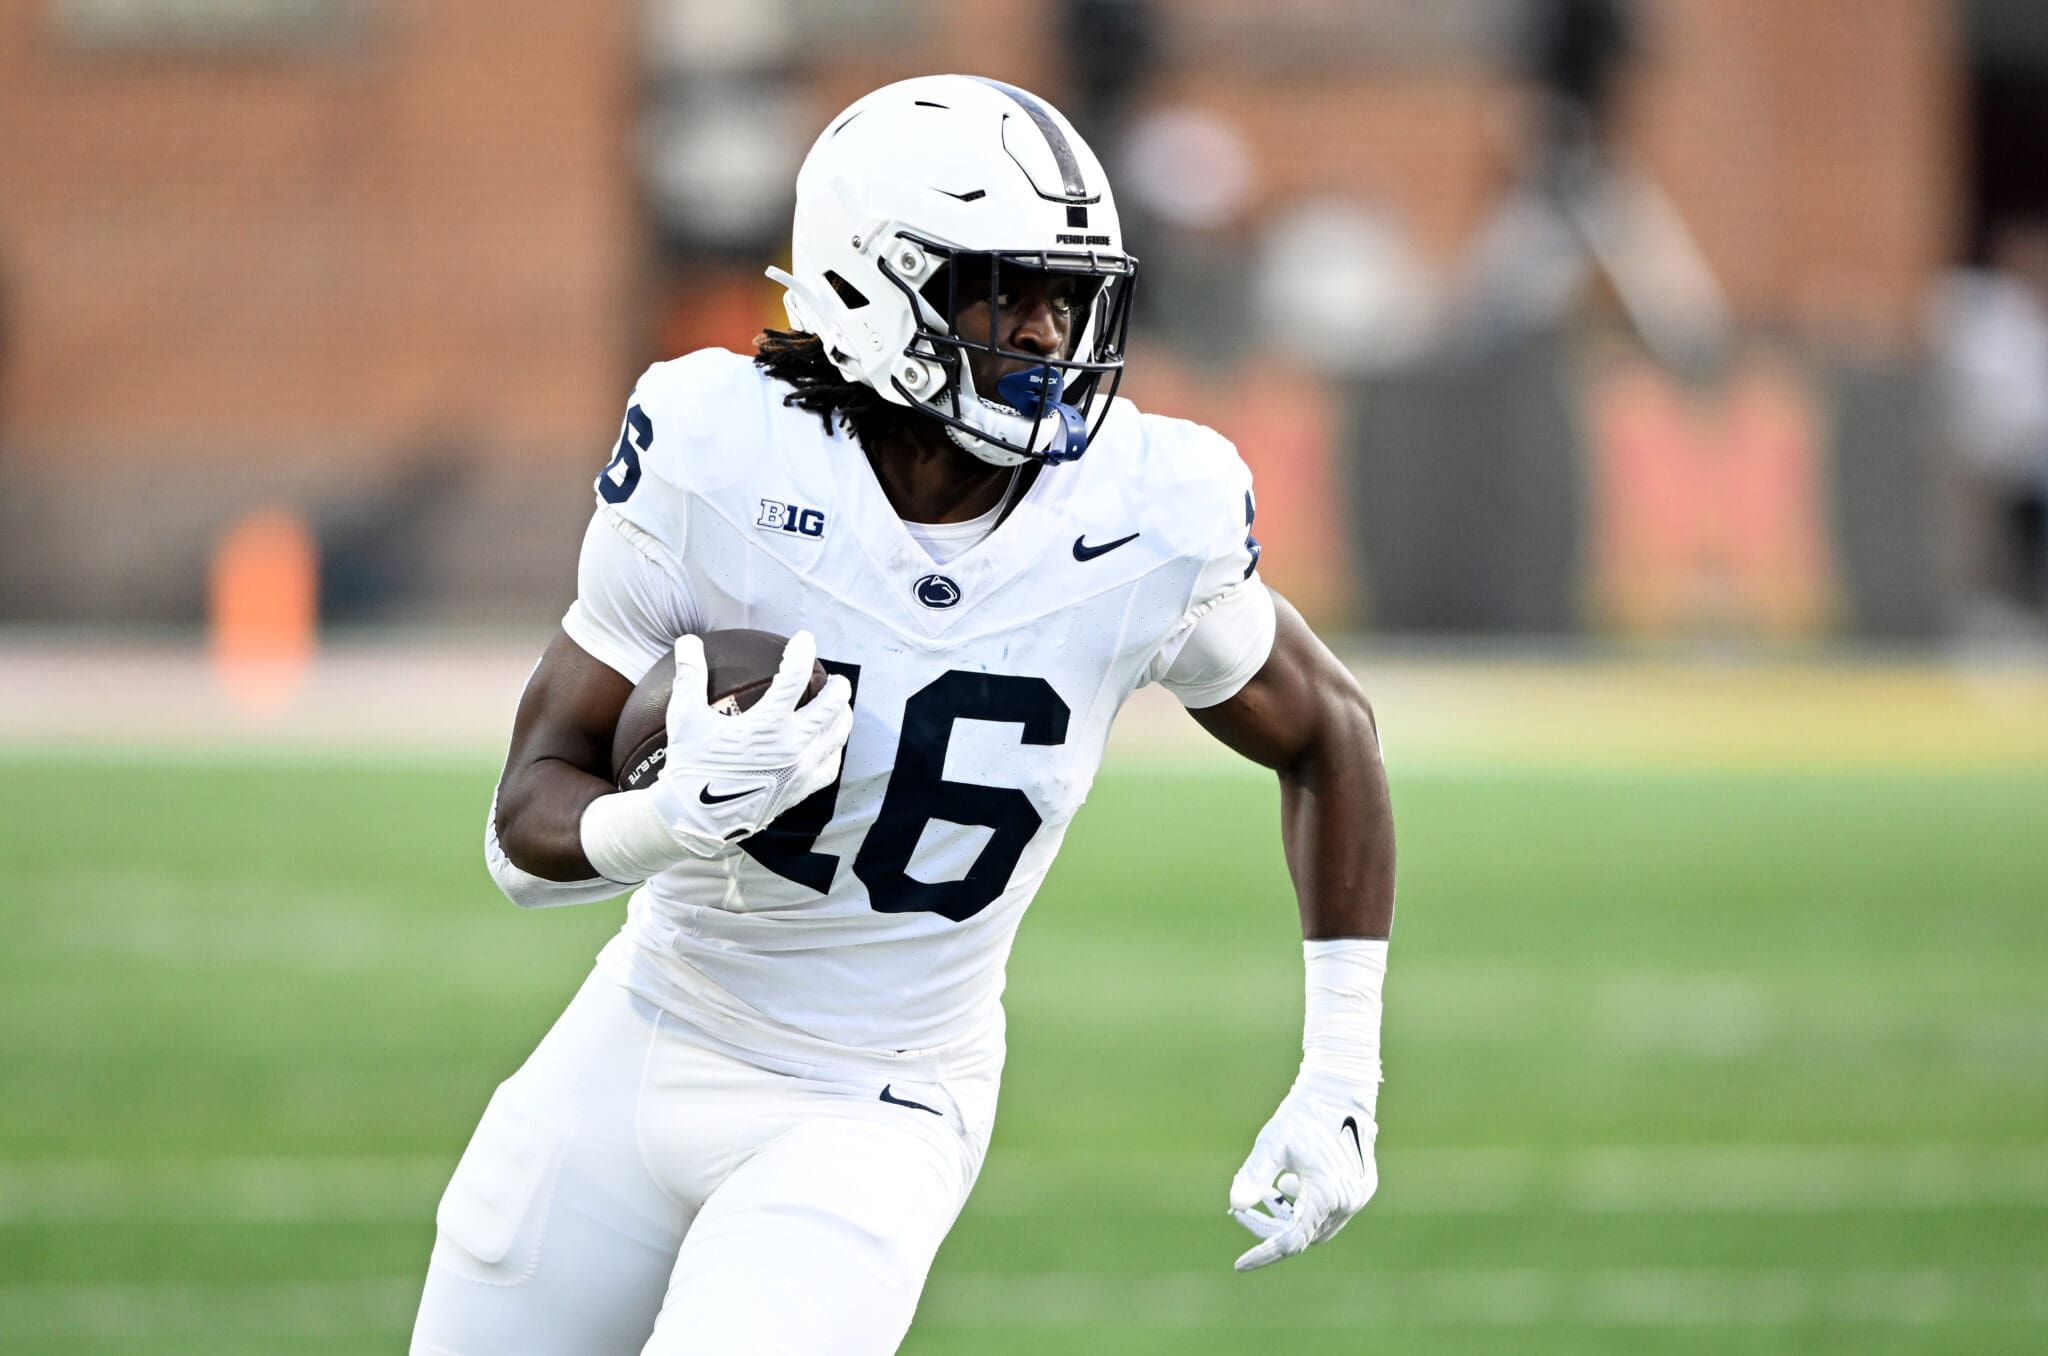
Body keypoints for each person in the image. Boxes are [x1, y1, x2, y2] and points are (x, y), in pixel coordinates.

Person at [411, 74, 1396, 1356]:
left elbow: (1330, 734)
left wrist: (1339, 1076)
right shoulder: (720, 451)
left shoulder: (1149, 512)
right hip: (640, 1040)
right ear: (872, 286)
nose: (1048, 334)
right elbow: (519, 836)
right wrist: (662, 821)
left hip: (877, 1103)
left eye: (1068, 295)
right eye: (1004, 288)